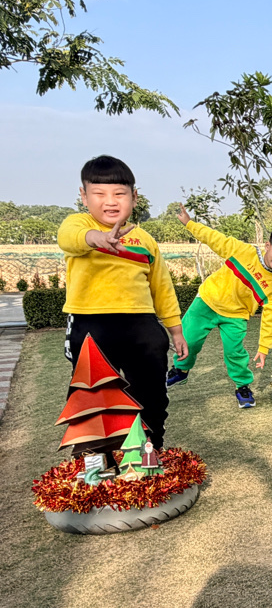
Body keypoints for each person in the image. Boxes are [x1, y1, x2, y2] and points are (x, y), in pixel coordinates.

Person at [58, 155, 187, 450]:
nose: (110, 201)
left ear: (134, 197)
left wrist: (175, 330)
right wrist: (96, 238)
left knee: (152, 395)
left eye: (119, 193)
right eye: (99, 193)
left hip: (142, 325)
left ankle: (149, 451)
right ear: (84, 196)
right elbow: (68, 237)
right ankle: (97, 460)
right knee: (93, 398)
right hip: (91, 326)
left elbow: (161, 287)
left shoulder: (144, 239)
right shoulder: (79, 225)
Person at [167, 204, 272, 407]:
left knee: (235, 352)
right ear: (268, 245)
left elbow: (271, 316)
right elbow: (214, 239)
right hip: (206, 301)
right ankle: (181, 370)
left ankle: (242, 387)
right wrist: (189, 224)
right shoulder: (243, 251)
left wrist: (264, 347)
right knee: (189, 341)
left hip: (236, 316)